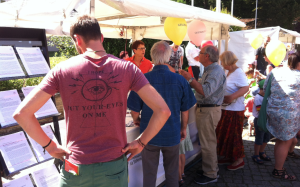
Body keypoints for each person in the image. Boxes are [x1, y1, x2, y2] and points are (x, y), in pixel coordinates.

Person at [13, 15, 171, 187]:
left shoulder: (61, 70)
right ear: (101, 38)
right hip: (114, 164)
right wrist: (141, 142)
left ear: (77, 40)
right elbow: (163, 110)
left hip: (75, 166)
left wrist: (50, 146)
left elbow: (22, 114)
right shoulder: (128, 68)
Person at [128, 41, 196, 187]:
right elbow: (185, 109)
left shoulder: (142, 78)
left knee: (149, 174)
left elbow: (134, 109)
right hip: (172, 133)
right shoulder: (180, 80)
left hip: (148, 135)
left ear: (152, 57)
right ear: (169, 57)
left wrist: (137, 119)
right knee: (172, 174)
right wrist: (183, 128)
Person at [180, 45, 226, 185]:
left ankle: (211, 174)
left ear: (207, 56)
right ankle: (210, 169)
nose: (197, 55)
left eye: (200, 53)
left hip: (209, 111)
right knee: (207, 142)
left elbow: (205, 91)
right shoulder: (210, 69)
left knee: (208, 143)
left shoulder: (215, 71)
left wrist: (189, 79)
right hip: (207, 110)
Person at [265, 52, 300, 180]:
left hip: (273, 111)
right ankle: (278, 170)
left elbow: (265, 88)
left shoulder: (275, 72)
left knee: (281, 140)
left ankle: (278, 166)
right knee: (285, 141)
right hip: (289, 114)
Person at [216, 51, 249, 171]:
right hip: (227, 108)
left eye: (223, 62)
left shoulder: (238, 73)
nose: (222, 64)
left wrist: (232, 97)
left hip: (234, 110)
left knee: (234, 135)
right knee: (226, 134)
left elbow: (246, 87)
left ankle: (239, 160)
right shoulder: (230, 71)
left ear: (227, 62)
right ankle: (230, 156)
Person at [251, 79, 271, 165]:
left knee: (266, 137)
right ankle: (256, 154)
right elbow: (260, 111)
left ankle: (261, 152)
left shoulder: (266, 97)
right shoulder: (258, 98)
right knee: (259, 138)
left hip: (267, 120)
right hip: (260, 120)